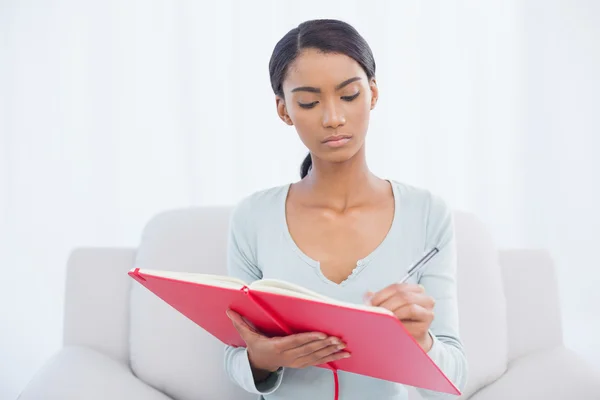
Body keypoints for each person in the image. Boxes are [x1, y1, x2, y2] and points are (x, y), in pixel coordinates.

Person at [223, 18, 468, 400]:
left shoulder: (427, 214)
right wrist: (261, 360)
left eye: (349, 95)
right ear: (284, 109)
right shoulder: (253, 217)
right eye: (308, 102)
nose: (332, 118)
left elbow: (455, 377)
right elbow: (235, 355)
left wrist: (421, 340)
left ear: (372, 93)